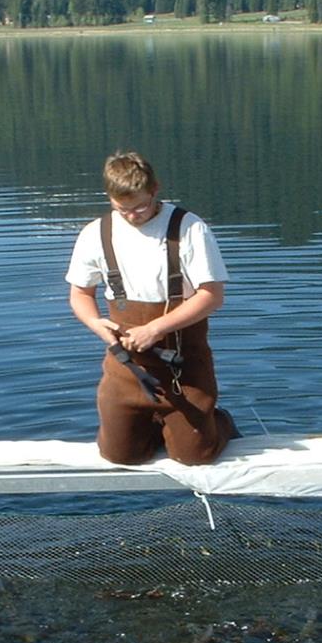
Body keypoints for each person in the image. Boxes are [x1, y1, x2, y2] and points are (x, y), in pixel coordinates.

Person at [66, 151, 234, 466]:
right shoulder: (95, 234)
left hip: (185, 369)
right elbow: (79, 293)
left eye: (141, 206)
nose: (133, 216)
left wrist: (155, 329)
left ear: (155, 189)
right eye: (122, 209)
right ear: (110, 198)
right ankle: (156, 428)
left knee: (195, 457)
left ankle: (217, 421)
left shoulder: (189, 228)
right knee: (120, 456)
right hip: (126, 368)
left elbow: (211, 296)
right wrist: (95, 323)